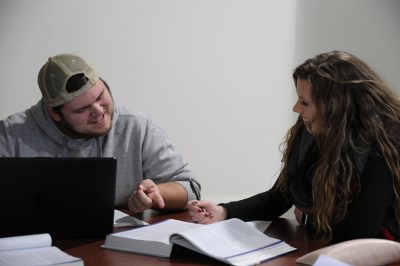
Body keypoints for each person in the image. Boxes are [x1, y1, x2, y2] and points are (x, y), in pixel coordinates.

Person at [187, 51, 400, 243]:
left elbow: (359, 232)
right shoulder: (311, 128)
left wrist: (308, 219)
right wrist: (222, 211)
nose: (296, 108)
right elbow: (280, 196)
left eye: (305, 102)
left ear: (336, 107)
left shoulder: (383, 142)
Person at [0, 53, 201, 214]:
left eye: (101, 96)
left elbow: (191, 188)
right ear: (55, 113)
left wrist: (158, 193)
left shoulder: (136, 126)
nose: (98, 111)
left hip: (115, 245)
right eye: (81, 110)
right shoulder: (11, 135)